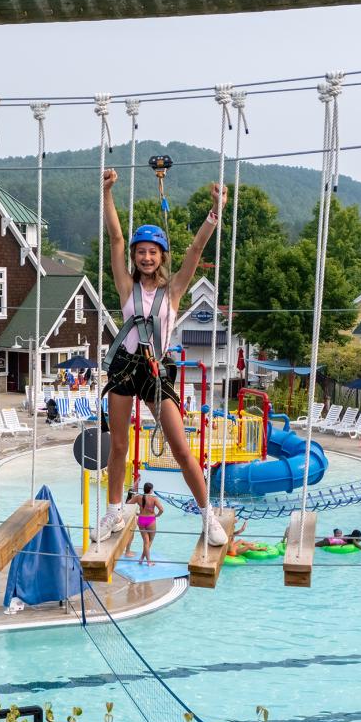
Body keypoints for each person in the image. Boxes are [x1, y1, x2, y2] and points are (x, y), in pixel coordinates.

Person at [95, 168, 229, 548]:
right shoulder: (126, 286)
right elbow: (116, 238)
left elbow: (196, 251)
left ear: (161, 257)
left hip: (155, 372)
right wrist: (107, 194)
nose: (146, 257)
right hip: (125, 368)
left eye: (153, 252)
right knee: (119, 446)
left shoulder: (173, 291)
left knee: (182, 449)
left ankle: (207, 516)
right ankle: (115, 510)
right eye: (141, 253)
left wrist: (215, 211)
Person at [127, 483, 164, 566]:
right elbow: (161, 509)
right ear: (151, 490)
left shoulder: (138, 497)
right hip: (150, 520)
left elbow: (128, 503)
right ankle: (147, 561)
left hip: (141, 519)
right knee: (149, 541)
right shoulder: (154, 498)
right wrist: (157, 515)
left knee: (145, 541)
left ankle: (142, 559)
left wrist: (136, 512)